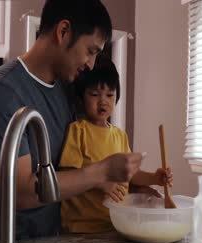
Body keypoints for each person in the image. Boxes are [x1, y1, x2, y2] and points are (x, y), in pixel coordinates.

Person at [0, 0, 144, 243]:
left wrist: (134, 188)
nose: (90, 64)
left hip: (50, 239)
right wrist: (102, 172)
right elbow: (22, 193)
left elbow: (72, 168)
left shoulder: (65, 91)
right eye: (90, 51)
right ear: (63, 31)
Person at [58, 57, 173, 233]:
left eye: (110, 95)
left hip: (115, 225)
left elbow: (131, 175)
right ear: (81, 97)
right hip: (81, 228)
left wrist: (155, 178)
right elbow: (67, 176)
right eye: (95, 94)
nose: (103, 101)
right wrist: (101, 182)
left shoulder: (120, 135)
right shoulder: (78, 130)